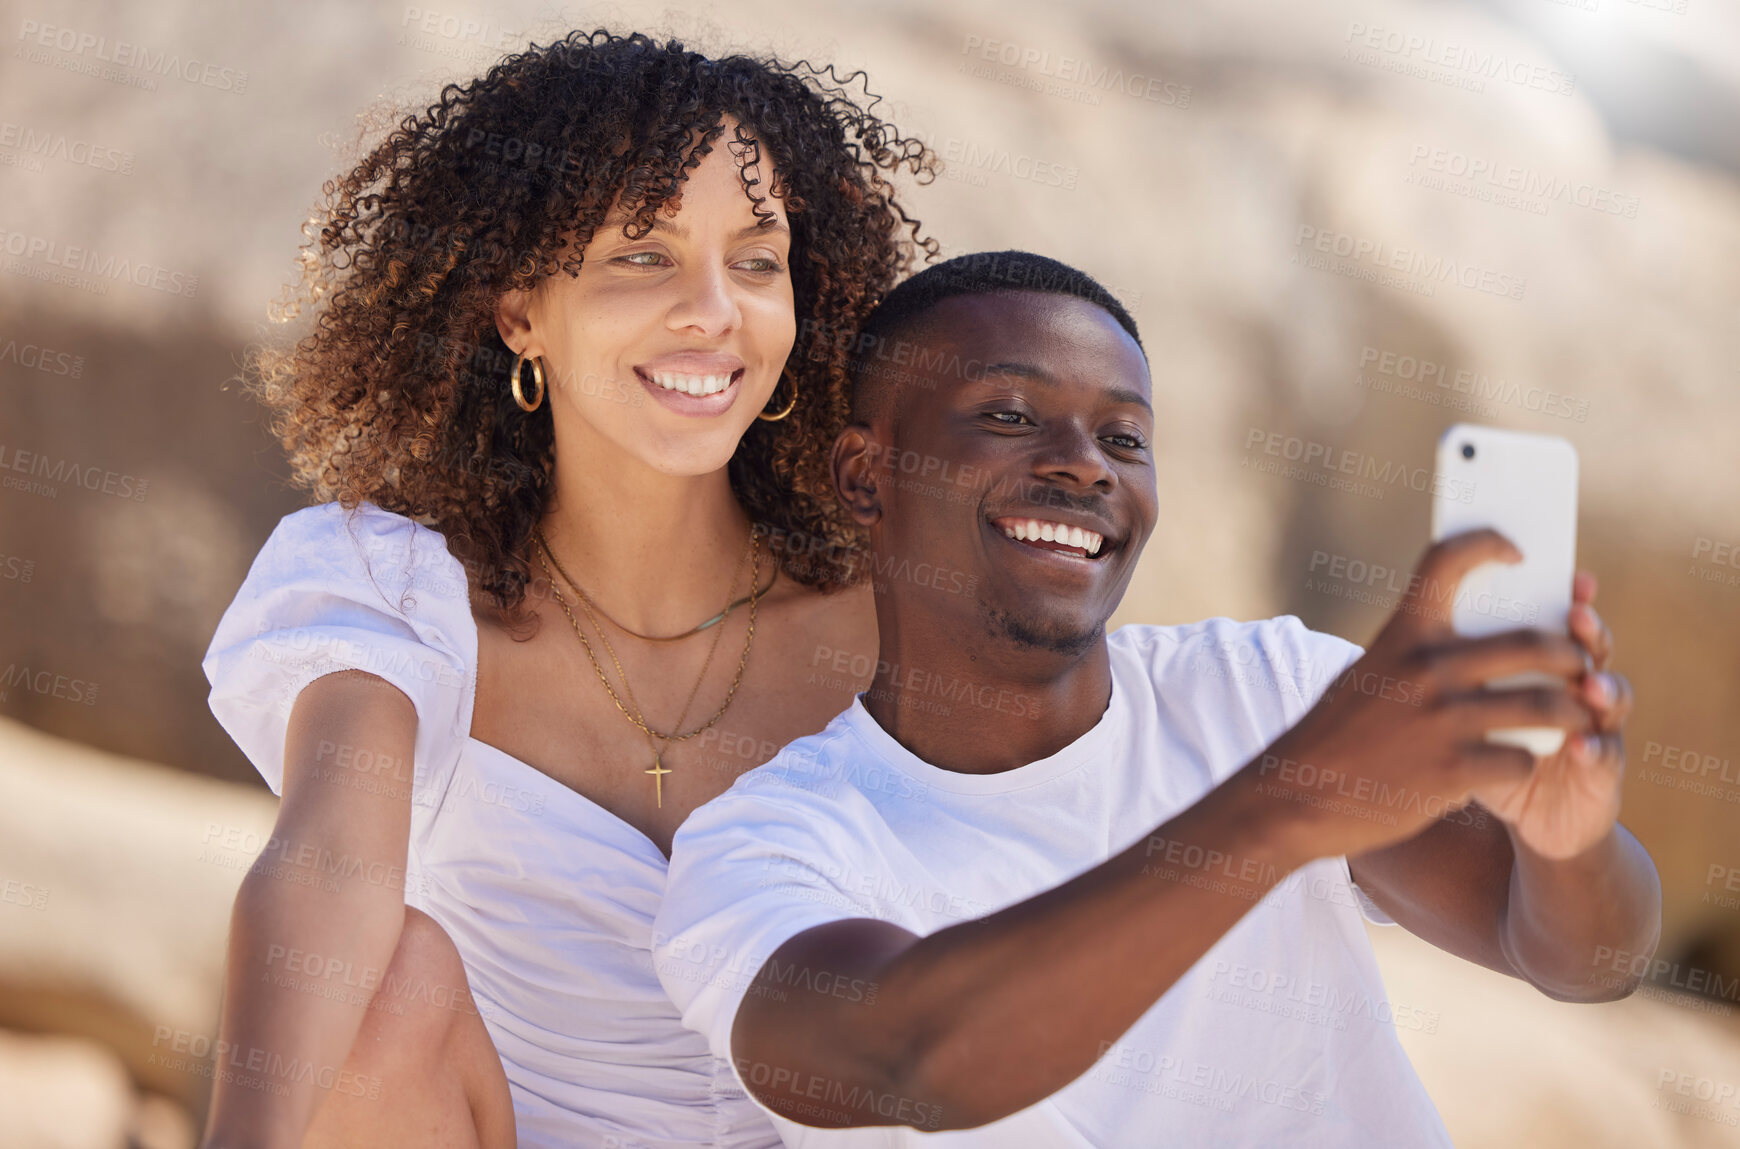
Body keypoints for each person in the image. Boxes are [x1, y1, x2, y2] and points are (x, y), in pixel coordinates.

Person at [652, 251, 1662, 1146]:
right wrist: (1293, 808)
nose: (1083, 466)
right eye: (1009, 416)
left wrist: (1567, 839)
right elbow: (912, 1064)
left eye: (1124, 437)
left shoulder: (1267, 692)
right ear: (866, 476)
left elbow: (1586, 962)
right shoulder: (761, 851)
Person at [199, 30, 934, 1149]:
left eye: (755, 260)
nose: (712, 311)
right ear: (519, 313)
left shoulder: (894, 622)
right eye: (642, 255)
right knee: (390, 981)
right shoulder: (395, 587)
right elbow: (328, 863)